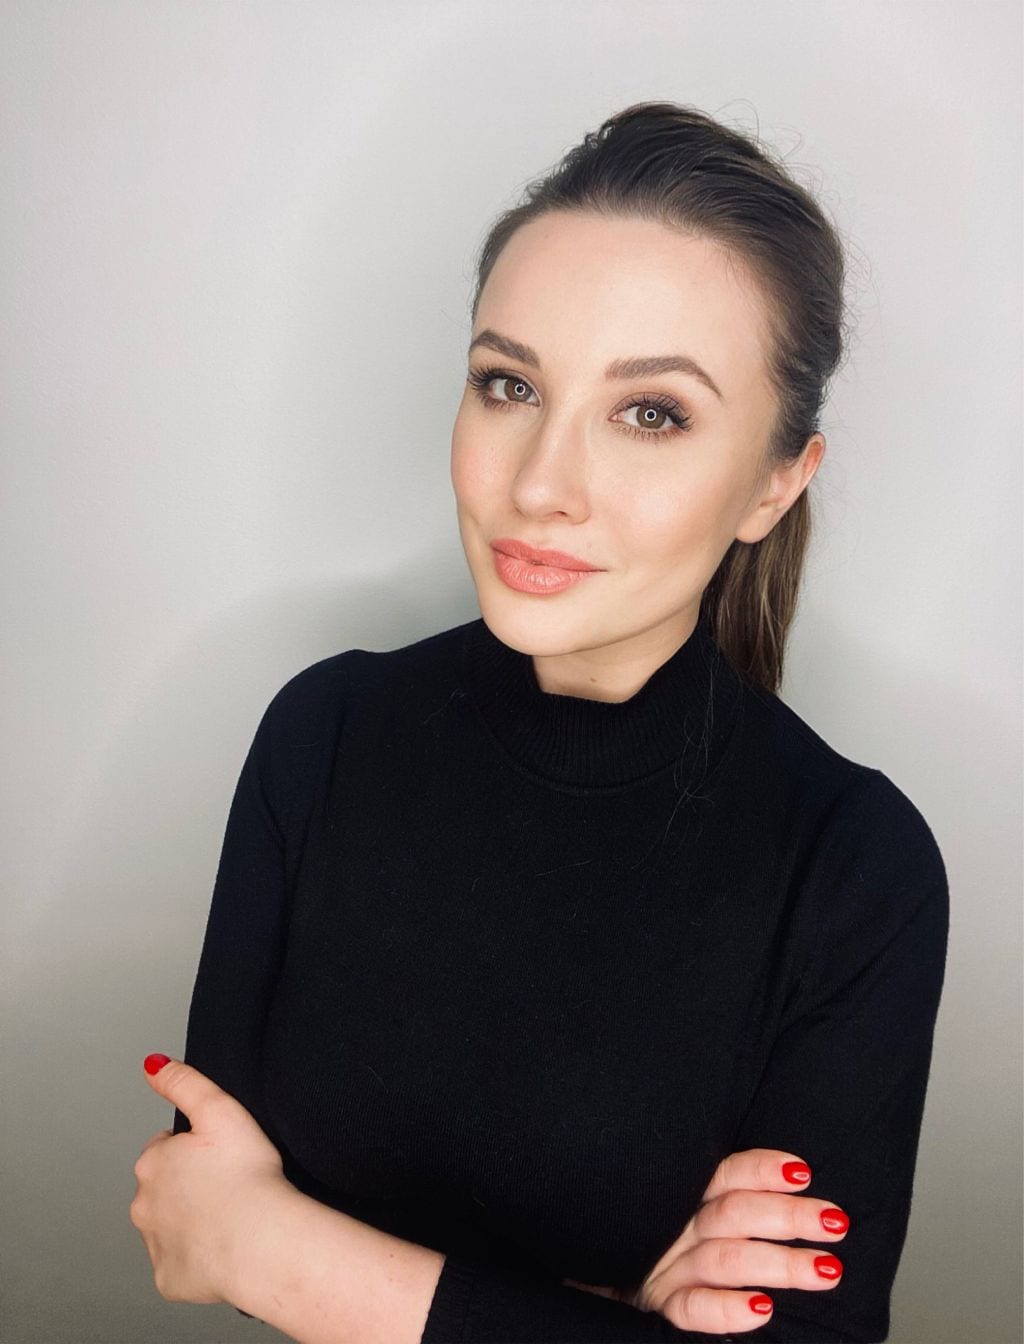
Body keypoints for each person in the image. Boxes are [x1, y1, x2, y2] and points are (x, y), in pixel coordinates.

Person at [130, 103, 949, 1343]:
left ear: (775, 484)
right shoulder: (324, 735)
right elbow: (193, 1236)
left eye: (651, 413)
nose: (538, 486)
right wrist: (609, 1318)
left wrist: (290, 1254)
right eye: (507, 385)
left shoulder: (854, 866)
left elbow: (244, 1244)